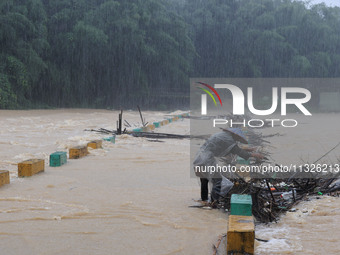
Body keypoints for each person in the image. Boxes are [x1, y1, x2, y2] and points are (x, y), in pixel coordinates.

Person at [193, 128, 264, 203]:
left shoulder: (224, 136)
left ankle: (204, 200)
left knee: (204, 179)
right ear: (235, 135)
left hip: (199, 157)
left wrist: (248, 150)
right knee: (217, 180)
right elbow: (237, 150)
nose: (238, 140)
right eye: (238, 139)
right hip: (206, 159)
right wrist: (255, 155)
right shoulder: (228, 139)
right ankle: (214, 202)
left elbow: (232, 149)